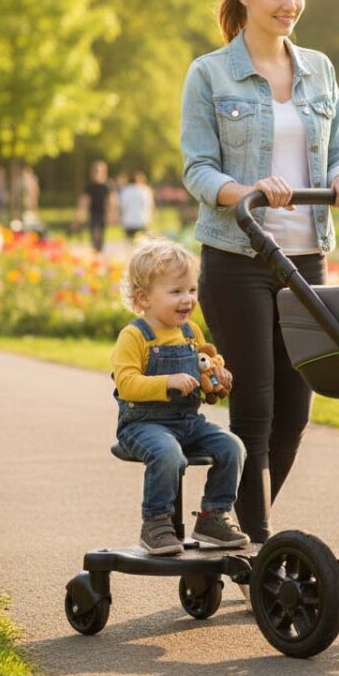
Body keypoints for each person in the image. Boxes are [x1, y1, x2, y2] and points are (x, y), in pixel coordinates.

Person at [180, 0, 339, 545]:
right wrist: (246, 189)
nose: (290, 5)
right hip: (238, 258)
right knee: (255, 409)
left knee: (297, 410)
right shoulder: (210, 73)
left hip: (304, 257)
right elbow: (198, 169)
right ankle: (258, 548)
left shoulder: (320, 68)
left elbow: (338, 146)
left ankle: (220, 519)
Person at [112, 238, 249, 555]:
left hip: (188, 422)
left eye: (191, 290)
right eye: (176, 292)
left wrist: (216, 381)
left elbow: (204, 372)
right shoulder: (134, 336)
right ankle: (156, 524)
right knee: (168, 454)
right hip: (143, 426)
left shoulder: (191, 334)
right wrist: (167, 381)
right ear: (144, 298)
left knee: (232, 447)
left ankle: (213, 514)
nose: (187, 300)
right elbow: (127, 383)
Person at [76, 160, 114, 253]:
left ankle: (99, 252)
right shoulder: (89, 187)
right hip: (93, 214)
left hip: (103, 214)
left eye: (99, 171)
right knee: (93, 234)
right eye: (95, 171)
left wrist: (110, 214)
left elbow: (111, 201)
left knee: (101, 236)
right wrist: (80, 215)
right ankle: (95, 252)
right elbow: (84, 202)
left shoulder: (107, 186)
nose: (97, 173)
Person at [118, 170, 155, 240]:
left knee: (130, 244)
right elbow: (150, 206)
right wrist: (151, 218)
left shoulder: (125, 191)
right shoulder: (145, 190)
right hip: (142, 220)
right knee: (144, 244)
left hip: (128, 221)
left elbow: (122, 206)